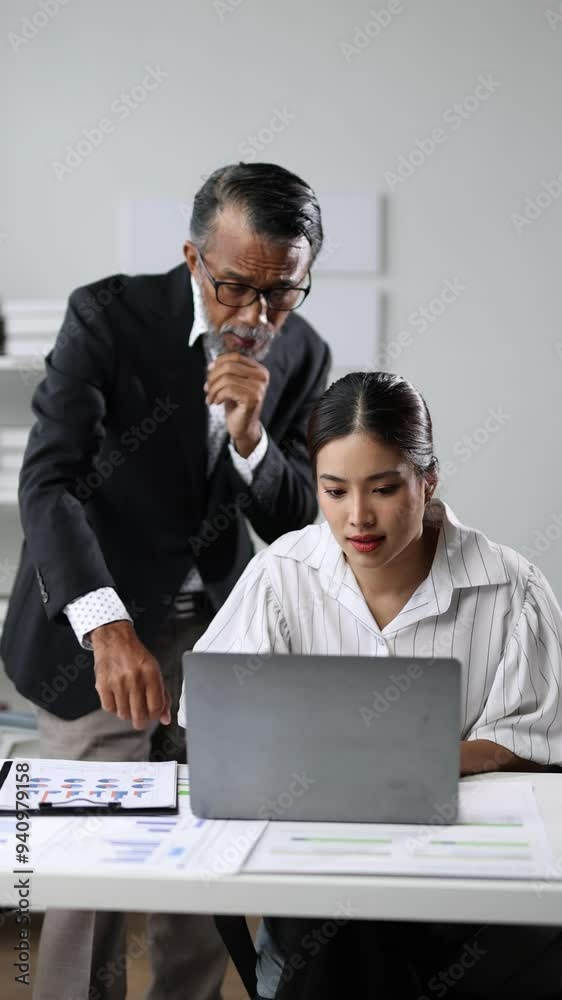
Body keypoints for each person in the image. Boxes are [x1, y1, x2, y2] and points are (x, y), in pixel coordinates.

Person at [0, 162, 331, 1000]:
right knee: (92, 878)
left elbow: (297, 524)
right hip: (97, 630)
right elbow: (48, 482)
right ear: (192, 256)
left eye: (283, 293)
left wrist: (253, 438)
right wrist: (108, 627)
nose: (257, 316)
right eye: (234, 288)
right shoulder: (106, 318)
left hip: (221, 633)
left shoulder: (303, 352)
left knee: (209, 865)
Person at [178, 370, 562, 999]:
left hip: (468, 883)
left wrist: (384, 764)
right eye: (334, 491)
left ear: (427, 481)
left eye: (384, 489)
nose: (358, 517)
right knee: (340, 940)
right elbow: (217, 726)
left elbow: (536, 742)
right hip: (322, 881)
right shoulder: (280, 577)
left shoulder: (511, 587)